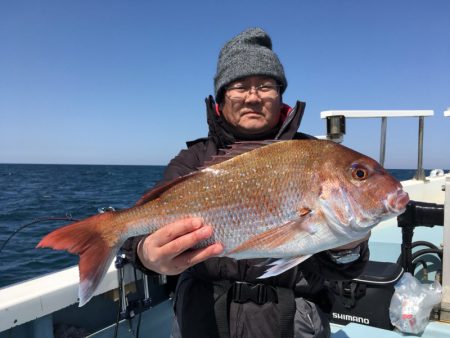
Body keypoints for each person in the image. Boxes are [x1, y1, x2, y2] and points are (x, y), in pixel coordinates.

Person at [122, 27, 370, 338]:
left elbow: (342, 271)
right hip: (203, 321)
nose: (253, 96)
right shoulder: (193, 161)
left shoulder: (317, 156)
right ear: (221, 99)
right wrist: (146, 254)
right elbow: (141, 223)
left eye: (265, 85)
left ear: (281, 96)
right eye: (239, 86)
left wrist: (349, 245)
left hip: (293, 324)